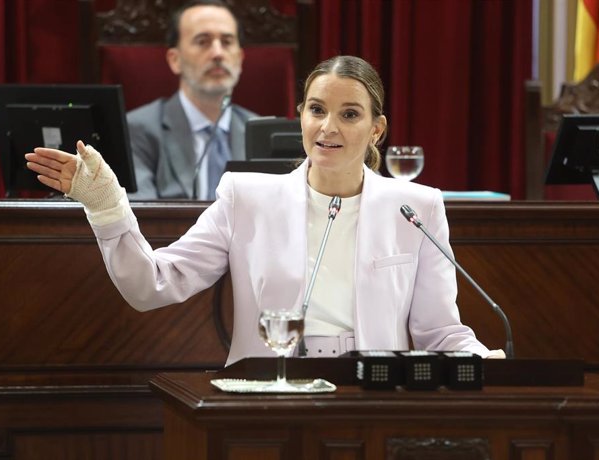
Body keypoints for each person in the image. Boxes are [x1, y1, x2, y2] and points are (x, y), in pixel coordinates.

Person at [25, 55, 505, 366]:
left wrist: (488, 361)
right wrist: (108, 207)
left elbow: (440, 332)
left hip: (369, 401)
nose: (328, 127)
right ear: (300, 115)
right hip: (266, 400)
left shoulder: (416, 207)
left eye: (350, 114)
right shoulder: (245, 196)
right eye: (316, 109)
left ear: (377, 130)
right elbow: (152, 285)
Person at [127, 0, 256, 200]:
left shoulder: (260, 131)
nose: (217, 53)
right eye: (203, 41)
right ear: (174, 60)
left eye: (227, 42)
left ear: (239, 58)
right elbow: (140, 216)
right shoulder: (137, 130)